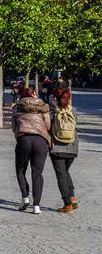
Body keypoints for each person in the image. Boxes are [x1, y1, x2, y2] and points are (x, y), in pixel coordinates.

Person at [11, 85, 51, 213]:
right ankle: (36, 206)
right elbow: (48, 125)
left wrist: (19, 136)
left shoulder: (18, 107)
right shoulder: (42, 107)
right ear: (34, 94)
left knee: (20, 170)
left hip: (24, 139)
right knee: (37, 173)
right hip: (40, 141)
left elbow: (14, 127)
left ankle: (25, 197)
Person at [49, 87, 78, 213]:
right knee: (65, 172)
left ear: (56, 98)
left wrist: (53, 104)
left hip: (57, 147)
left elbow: (48, 125)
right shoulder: (74, 110)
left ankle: (67, 204)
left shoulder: (53, 111)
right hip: (72, 146)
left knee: (61, 174)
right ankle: (72, 197)